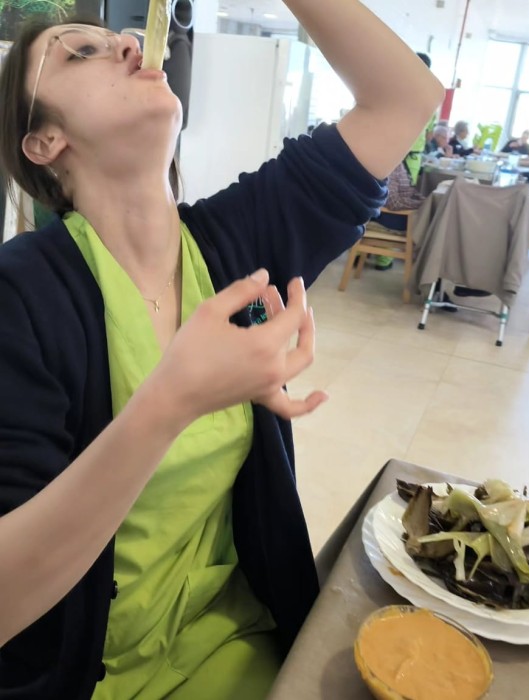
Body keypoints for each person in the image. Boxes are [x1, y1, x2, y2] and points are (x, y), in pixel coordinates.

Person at [0, 4, 443, 700]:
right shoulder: (20, 295)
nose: (128, 44)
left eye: (118, 36)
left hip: (240, 642)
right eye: (79, 53)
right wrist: (170, 403)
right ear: (44, 142)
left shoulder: (238, 240)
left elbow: (404, 97)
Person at [372, 162, 425, 270]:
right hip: (386, 216)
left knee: (433, 217)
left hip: (389, 213)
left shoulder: (398, 163)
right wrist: (421, 204)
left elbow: (409, 191)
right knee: (433, 222)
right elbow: (393, 203)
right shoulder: (390, 165)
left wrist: (424, 201)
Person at [404, 51, 437, 185]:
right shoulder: (432, 96)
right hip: (413, 155)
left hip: (391, 152)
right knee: (405, 191)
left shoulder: (398, 88)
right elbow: (429, 135)